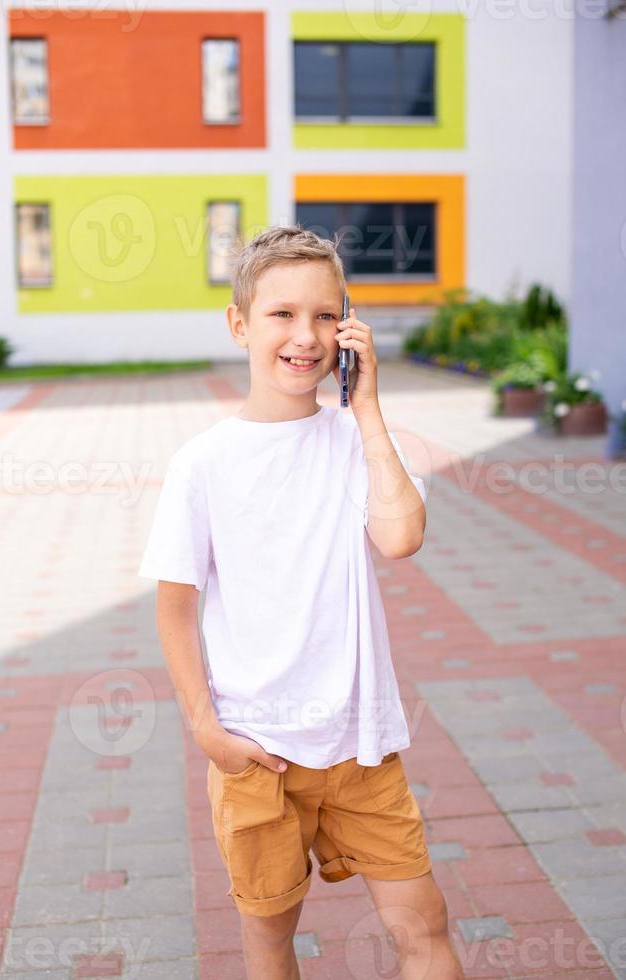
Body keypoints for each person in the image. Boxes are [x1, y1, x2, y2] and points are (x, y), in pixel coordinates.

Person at [138, 225, 465, 979]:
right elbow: (175, 608)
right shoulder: (203, 464)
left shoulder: (355, 441)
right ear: (240, 324)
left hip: (362, 748)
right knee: (271, 943)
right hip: (259, 754)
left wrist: (369, 408)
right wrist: (207, 731)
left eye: (325, 316)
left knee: (424, 926)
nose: (305, 336)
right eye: (282, 314)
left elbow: (400, 538)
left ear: (347, 330)